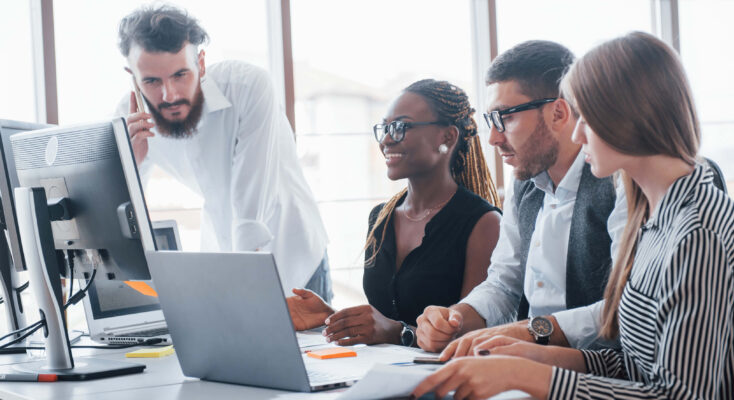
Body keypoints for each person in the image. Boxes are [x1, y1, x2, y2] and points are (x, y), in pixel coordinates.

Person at [412, 31, 734, 400]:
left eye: (587, 117)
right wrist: (536, 356)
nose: (578, 134)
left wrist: (536, 375)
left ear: (628, 119)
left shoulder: (697, 231)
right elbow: (635, 366)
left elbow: (677, 396)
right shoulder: (653, 222)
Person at [416, 41, 626, 354]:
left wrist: (533, 332)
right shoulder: (524, 183)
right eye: (491, 120)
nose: (493, 138)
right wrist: (455, 318)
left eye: (506, 118)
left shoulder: (620, 181)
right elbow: (504, 282)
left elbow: (628, 308)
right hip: (522, 365)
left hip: (599, 375)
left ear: (558, 112)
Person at [115, 5, 331, 300]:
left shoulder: (248, 88)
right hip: (225, 257)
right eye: (152, 81)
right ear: (133, 77)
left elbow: (249, 211)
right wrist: (131, 164)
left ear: (201, 64)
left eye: (181, 74)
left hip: (294, 258)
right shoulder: (129, 121)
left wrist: (235, 298)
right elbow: (120, 221)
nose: (170, 95)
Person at [287, 79, 502, 346]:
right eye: (385, 128)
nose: (387, 139)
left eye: (401, 127)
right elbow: (384, 320)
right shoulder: (381, 217)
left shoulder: (484, 223)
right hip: (382, 375)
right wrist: (331, 317)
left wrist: (398, 332)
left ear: (447, 137)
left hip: (446, 380)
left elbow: (476, 336)